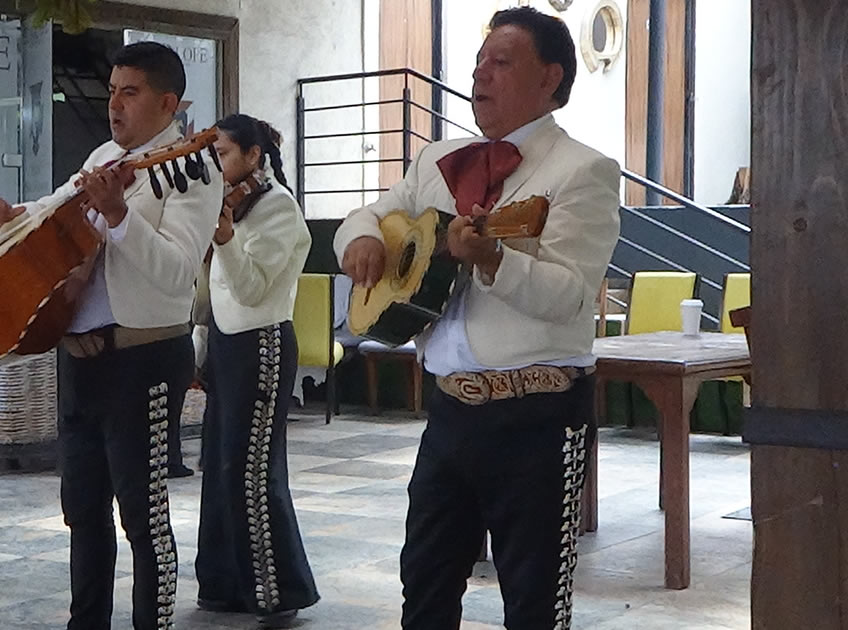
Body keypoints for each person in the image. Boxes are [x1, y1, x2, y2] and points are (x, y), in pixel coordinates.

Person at [333, 8, 620, 629]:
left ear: (550, 78)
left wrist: (493, 259)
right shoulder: (439, 159)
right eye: (478, 62)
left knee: (535, 600)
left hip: (538, 418)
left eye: (500, 62)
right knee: (425, 587)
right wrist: (359, 241)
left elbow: (569, 294)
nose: (479, 75)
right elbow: (374, 215)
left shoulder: (582, 171)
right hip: (449, 412)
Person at [0, 41, 221, 630]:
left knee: (143, 513)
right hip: (79, 356)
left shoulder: (195, 169)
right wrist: (12, 214)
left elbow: (177, 270)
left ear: (167, 102)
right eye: (111, 90)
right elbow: (56, 208)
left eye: (129, 92)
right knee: (82, 511)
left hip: (143, 357)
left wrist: (119, 218)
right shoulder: (106, 154)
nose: (114, 104)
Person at [194, 114, 319, 627]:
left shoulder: (278, 208)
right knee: (219, 466)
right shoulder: (226, 205)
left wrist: (223, 238)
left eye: (222, 153)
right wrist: (199, 347)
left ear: (253, 156)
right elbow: (210, 290)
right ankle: (225, 584)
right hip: (225, 342)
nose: (215, 164)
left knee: (252, 469)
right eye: (212, 154)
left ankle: (278, 590)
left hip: (263, 343)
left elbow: (249, 289)